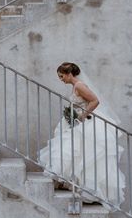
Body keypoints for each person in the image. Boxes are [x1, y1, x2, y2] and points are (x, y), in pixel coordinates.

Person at [38, 62, 125, 206]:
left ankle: (91, 191)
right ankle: (76, 185)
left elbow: (95, 100)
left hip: (86, 123)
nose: (61, 79)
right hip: (78, 123)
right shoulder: (75, 86)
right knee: (77, 154)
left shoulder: (79, 85)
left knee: (85, 155)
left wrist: (83, 115)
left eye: (62, 76)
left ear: (69, 74)